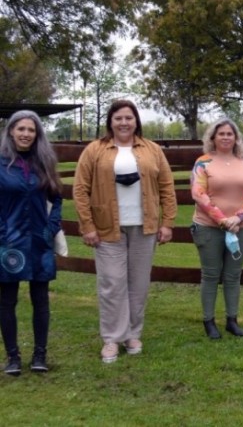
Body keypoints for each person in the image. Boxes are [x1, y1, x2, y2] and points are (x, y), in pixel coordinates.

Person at [72, 100, 177, 363]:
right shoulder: (95, 150)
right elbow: (80, 190)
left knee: (138, 285)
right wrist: (87, 226)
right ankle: (111, 338)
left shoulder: (152, 150)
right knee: (111, 284)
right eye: (118, 118)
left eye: (128, 118)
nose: (123, 123)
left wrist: (168, 223)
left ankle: (132, 334)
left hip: (145, 227)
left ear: (136, 121)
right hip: (107, 230)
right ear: (110, 122)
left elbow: (167, 187)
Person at [0, 111, 63, 375]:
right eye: (21, 128)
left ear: (37, 134)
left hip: (39, 241)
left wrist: (50, 228)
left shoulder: (44, 164)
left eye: (32, 130)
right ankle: (12, 356)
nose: (26, 134)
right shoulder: (1, 164)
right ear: (11, 131)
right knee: (6, 300)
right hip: (8, 243)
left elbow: (57, 199)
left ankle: (40, 355)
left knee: (41, 299)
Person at [190, 120, 243, 339]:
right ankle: (209, 321)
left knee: (233, 276)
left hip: (241, 228)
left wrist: (238, 217)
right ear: (213, 138)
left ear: (236, 138)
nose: (226, 137)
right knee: (210, 275)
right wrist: (222, 219)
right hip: (208, 228)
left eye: (230, 133)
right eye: (221, 133)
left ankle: (232, 320)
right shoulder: (203, 163)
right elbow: (198, 194)